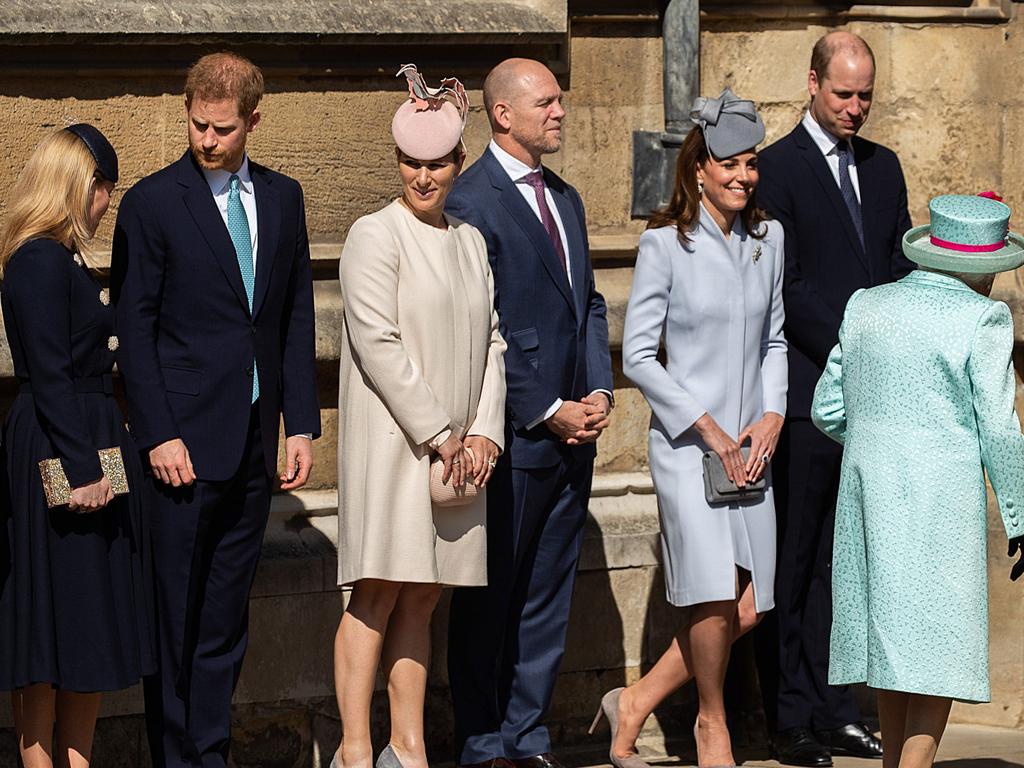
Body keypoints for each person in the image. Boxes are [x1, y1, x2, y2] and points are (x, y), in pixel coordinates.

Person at [110, 52, 320, 768]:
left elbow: (293, 318)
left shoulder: (285, 198)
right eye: (197, 124)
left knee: (226, 620)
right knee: (173, 617)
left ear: (253, 121)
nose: (206, 140)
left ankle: (211, 751)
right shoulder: (152, 202)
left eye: (223, 129)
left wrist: (303, 423)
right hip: (181, 450)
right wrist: (158, 432)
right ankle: (173, 756)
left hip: (255, 446)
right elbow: (133, 330)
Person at [596, 89, 785, 768]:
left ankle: (636, 700)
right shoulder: (664, 244)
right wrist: (705, 426)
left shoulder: (770, 240)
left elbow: (777, 341)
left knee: (750, 605)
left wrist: (773, 412)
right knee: (709, 594)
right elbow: (640, 355)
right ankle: (712, 723)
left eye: (752, 164)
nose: (743, 177)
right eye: (730, 164)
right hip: (688, 450)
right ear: (699, 168)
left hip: (752, 451)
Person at [331, 65, 506, 768]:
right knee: (376, 588)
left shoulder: (470, 239)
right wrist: (440, 433)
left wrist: (486, 430)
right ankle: (352, 749)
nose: (423, 176)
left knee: (425, 595)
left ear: (459, 162)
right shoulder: (374, 234)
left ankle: (408, 748)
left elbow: (492, 339)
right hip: (397, 444)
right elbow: (377, 342)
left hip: (460, 450)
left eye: (437, 163)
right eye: (412, 161)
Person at [811, 192, 1024, 768]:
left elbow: (828, 408)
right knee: (938, 640)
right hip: (941, 498)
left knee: (890, 634)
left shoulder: (867, 305)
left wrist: (879, 445)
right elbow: (1001, 431)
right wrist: (1021, 517)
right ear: (986, 267)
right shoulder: (982, 317)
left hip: (866, 490)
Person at [445, 58, 614, 768]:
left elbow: (591, 307)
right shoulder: (469, 200)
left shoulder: (567, 198)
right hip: (511, 441)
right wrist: (545, 409)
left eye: (560, 100)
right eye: (546, 102)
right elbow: (478, 327)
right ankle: (483, 741)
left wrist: (601, 390)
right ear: (503, 114)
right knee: (490, 598)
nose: (561, 112)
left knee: (546, 598)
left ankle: (527, 736)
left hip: (577, 439)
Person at [755, 30, 912, 766]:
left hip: (872, 400)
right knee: (794, 556)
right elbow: (787, 286)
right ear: (812, 83)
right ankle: (789, 714)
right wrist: (858, 342)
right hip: (808, 389)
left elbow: (896, 264)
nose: (856, 108)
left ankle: (838, 705)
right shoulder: (777, 169)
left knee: (847, 563)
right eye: (844, 93)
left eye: (866, 95)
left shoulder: (885, 170)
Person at [0, 125, 155, 768]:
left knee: (84, 616)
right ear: (80, 185)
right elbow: (49, 372)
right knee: (49, 622)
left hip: (84, 438)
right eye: (103, 194)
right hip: (62, 446)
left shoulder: (60, 259)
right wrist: (83, 466)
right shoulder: (37, 259)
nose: (103, 208)